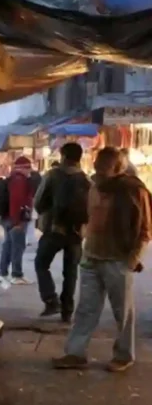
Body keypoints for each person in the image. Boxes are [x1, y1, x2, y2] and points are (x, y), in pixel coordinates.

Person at [52, 147, 152, 372]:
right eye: (98, 166)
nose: (99, 172)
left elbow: (145, 230)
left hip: (118, 259)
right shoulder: (95, 188)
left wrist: (133, 259)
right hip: (92, 256)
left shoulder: (134, 191)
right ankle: (75, 353)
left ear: (117, 169)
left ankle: (124, 355)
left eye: (104, 168)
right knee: (85, 309)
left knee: (122, 312)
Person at [34, 142, 91, 323]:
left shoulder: (52, 175)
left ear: (63, 156)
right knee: (71, 272)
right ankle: (67, 310)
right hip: (76, 233)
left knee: (41, 263)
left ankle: (51, 300)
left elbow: (38, 202)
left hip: (54, 229)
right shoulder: (86, 180)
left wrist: (46, 214)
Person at [0, 156, 34, 285]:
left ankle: (3, 273)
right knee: (17, 246)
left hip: (8, 217)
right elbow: (16, 201)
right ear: (23, 168)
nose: (30, 170)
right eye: (28, 167)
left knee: (8, 246)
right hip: (16, 219)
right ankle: (16, 274)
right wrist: (17, 222)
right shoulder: (19, 180)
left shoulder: (12, 178)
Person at [27, 168, 42, 245]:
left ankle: (28, 239)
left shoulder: (28, 180)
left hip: (29, 201)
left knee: (28, 221)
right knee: (32, 221)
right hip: (35, 200)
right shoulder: (39, 181)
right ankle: (30, 238)